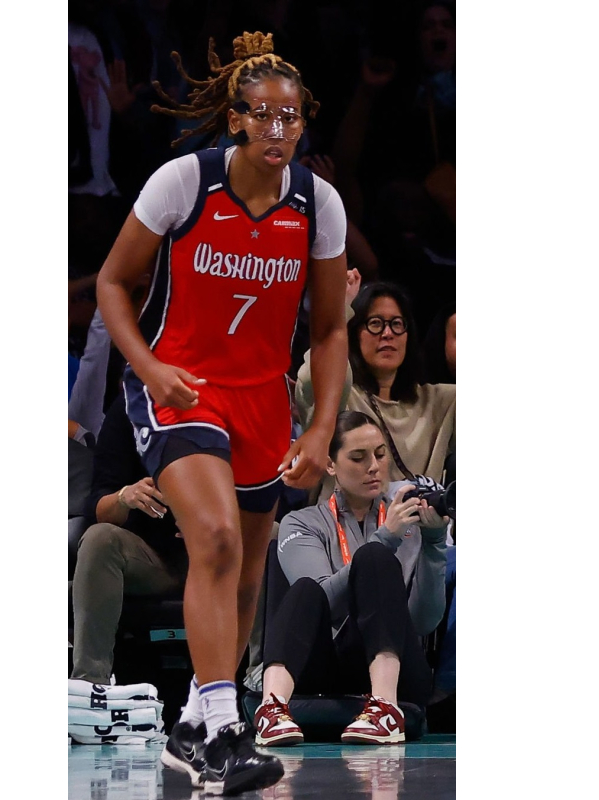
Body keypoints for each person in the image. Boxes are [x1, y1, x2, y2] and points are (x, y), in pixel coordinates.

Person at [96, 31, 348, 796]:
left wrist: (320, 427)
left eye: (291, 116)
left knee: (244, 574)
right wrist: (149, 369)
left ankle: (188, 729)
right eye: (262, 114)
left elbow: (329, 328)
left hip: (262, 396)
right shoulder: (184, 182)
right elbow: (112, 283)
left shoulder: (318, 204)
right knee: (213, 539)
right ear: (236, 119)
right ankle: (225, 730)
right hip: (182, 385)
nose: (278, 128)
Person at [253, 411, 448, 746]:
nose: (373, 467)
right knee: (307, 587)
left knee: (375, 557)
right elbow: (321, 604)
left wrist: (434, 543)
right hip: (324, 666)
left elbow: (422, 621)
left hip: (397, 669)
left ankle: (385, 708)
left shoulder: (408, 519)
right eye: (358, 458)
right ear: (330, 465)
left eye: (380, 455)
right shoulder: (302, 523)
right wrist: (385, 538)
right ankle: (271, 708)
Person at [70, 392, 188, 686]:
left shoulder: (231, 403)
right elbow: (98, 505)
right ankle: (89, 685)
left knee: (272, 536)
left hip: (223, 555)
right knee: (99, 538)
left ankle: (265, 688)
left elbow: (268, 499)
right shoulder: (129, 407)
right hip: (155, 557)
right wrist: (124, 497)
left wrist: (215, 522)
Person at [297, 280, 455, 495]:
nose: (388, 333)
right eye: (375, 323)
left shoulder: (441, 402)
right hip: (342, 517)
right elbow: (312, 378)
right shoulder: (341, 396)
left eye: (397, 324)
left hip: (419, 518)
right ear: (354, 333)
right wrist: (340, 309)